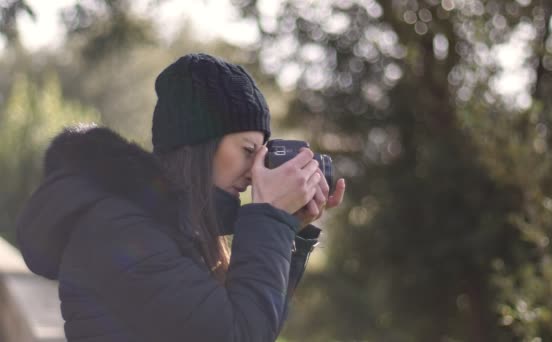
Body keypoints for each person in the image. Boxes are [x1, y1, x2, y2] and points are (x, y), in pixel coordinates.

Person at [15, 53, 346, 341]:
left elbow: (255, 320)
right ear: (198, 146)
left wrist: (290, 230)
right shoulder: (122, 231)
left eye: (263, 154)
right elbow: (239, 334)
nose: (255, 170)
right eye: (248, 151)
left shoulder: (178, 230)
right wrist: (271, 215)